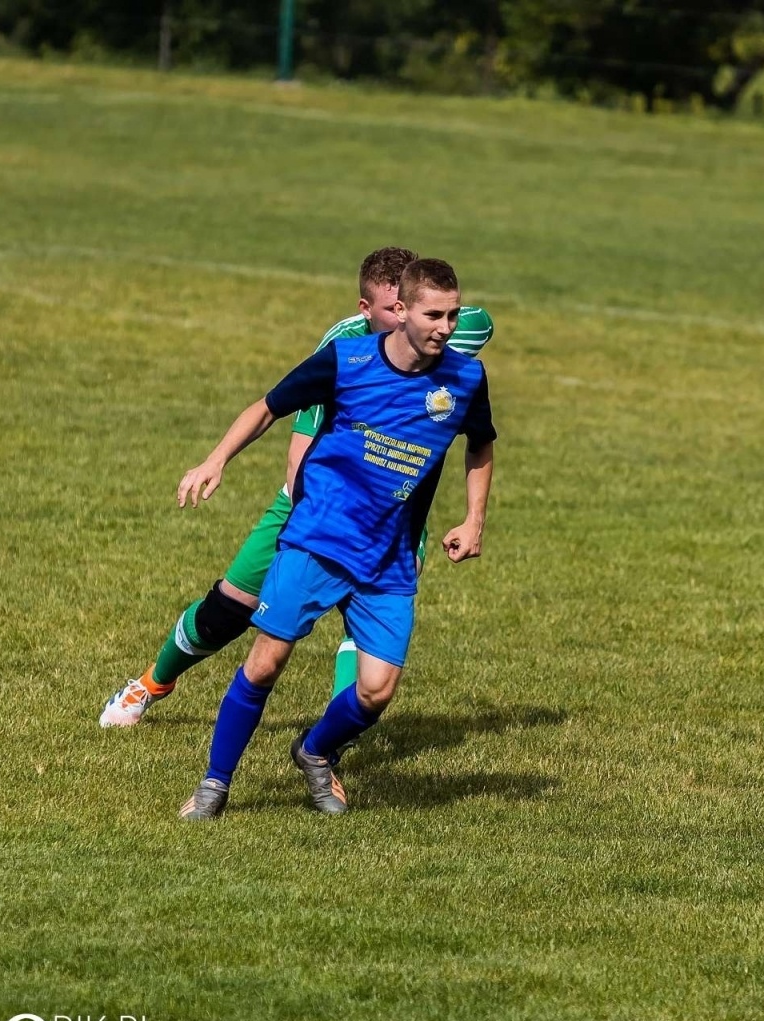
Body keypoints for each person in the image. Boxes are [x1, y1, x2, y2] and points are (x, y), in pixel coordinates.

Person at [99, 247, 494, 728]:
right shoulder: (344, 350)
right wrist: (225, 465)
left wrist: (471, 517)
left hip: (394, 523)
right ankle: (151, 684)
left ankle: (328, 755)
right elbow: (297, 446)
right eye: (389, 311)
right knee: (228, 610)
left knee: (365, 636)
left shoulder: (443, 333)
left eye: (410, 310)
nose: (406, 322)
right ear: (365, 311)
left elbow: (477, 326)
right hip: (310, 507)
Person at [175, 258, 495, 819]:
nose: (446, 327)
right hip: (318, 537)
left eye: (453, 314)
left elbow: (480, 443)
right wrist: (216, 459)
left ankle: (314, 751)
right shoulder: (347, 361)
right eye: (433, 315)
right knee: (266, 663)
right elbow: (268, 408)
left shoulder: (466, 379)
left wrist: (474, 520)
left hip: (389, 555)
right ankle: (214, 784)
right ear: (402, 313)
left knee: (376, 691)